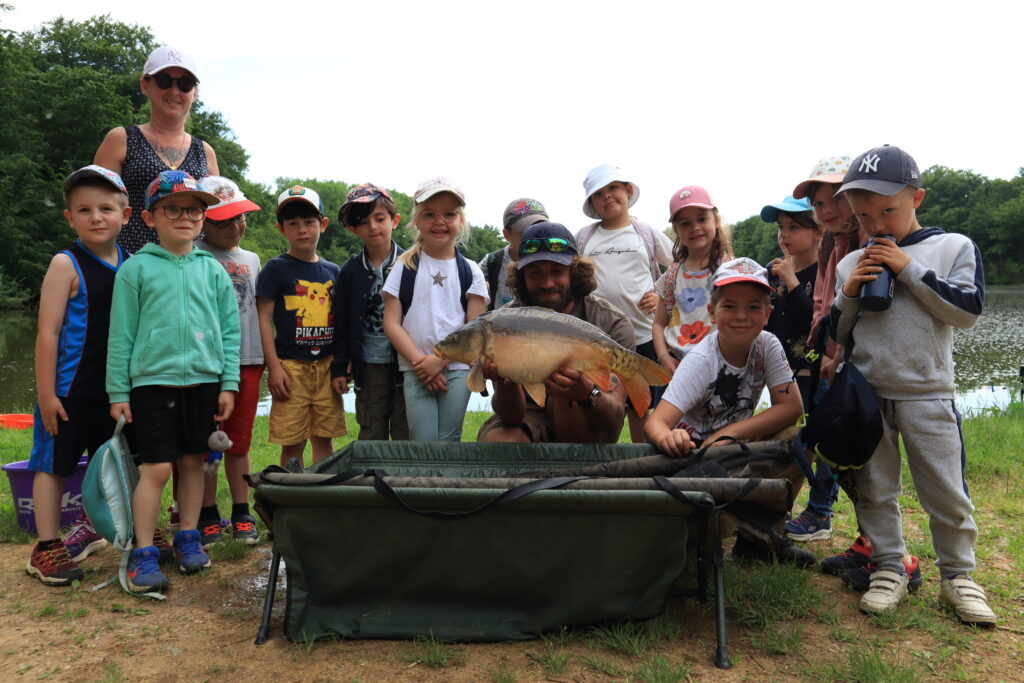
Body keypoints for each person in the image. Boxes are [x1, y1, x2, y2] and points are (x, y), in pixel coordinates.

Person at [832, 145, 995, 625]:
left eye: (889, 210)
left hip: (928, 392)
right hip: (867, 395)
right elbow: (839, 336)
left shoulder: (952, 248)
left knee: (945, 490)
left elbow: (966, 312)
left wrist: (907, 268)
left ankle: (959, 577)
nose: (877, 224)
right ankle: (888, 567)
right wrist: (850, 293)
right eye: (864, 216)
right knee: (875, 487)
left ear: (917, 198)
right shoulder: (849, 263)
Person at [107, 170, 239, 593]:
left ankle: (188, 536)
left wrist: (228, 383)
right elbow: (121, 334)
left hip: (203, 382)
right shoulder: (136, 269)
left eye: (195, 209)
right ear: (149, 217)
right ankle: (143, 552)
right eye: (173, 208)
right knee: (157, 467)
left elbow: (230, 331)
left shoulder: (214, 271)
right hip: (152, 385)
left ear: (204, 217)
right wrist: (118, 392)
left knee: (193, 462)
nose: (185, 216)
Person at [791, 157, 920, 588]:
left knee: (863, 455)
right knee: (843, 453)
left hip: (863, 368)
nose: (826, 211)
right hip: (832, 360)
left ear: (854, 199)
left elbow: (872, 309)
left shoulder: (874, 239)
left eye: (834, 199)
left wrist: (840, 351)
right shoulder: (833, 242)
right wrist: (822, 350)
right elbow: (827, 304)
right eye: (817, 203)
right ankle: (871, 543)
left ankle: (894, 556)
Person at [645, 257, 809, 565]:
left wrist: (729, 434)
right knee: (709, 534)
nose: (741, 317)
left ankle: (759, 538)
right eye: (729, 306)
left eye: (753, 307)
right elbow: (657, 422)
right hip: (695, 462)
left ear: (767, 314)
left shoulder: (768, 345)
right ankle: (725, 527)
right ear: (712, 312)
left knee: (798, 434)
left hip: (734, 451)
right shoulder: (701, 360)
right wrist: (669, 439)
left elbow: (792, 407)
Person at [26, 166, 130, 586]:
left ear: (124, 214)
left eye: (106, 208)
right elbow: (47, 332)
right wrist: (47, 394)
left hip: (113, 390)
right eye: (84, 210)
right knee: (54, 465)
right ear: (70, 217)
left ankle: (120, 529)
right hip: (68, 391)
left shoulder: (131, 264)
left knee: (116, 464)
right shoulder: (64, 264)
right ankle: (46, 547)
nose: (96, 217)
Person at [477, 222, 632, 444]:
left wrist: (586, 394)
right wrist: (504, 382)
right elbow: (511, 417)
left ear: (575, 273)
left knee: (568, 409)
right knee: (499, 440)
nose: (547, 283)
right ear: (521, 276)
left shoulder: (612, 323)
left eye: (557, 272)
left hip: (587, 419)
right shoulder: (502, 323)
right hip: (528, 415)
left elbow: (614, 420)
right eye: (535, 273)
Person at [381, 177, 488, 442]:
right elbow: (392, 323)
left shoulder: (471, 271)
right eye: (429, 214)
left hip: (458, 368)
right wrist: (422, 364)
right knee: (423, 439)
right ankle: (423, 483)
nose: (440, 222)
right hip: (415, 369)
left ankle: (447, 484)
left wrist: (439, 361)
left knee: (449, 438)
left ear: (460, 220)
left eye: (449, 214)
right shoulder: (402, 267)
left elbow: (475, 329)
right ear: (416, 221)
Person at [576, 165, 674, 442]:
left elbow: (681, 264)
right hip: (597, 339)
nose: (607, 196)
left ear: (628, 191)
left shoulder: (646, 233)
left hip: (643, 335)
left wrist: (661, 295)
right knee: (597, 404)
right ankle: (598, 470)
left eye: (613, 188)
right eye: (599, 194)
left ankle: (643, 471)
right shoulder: (585, 237)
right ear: (592, 203)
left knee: (642, 408)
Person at [193, 176, 264, 546]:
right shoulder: (192, 255)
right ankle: (205, 513)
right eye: (224, 221)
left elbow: (262, 314)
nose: (236, 227)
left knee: (238, 443)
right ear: (203, 220)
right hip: (205, 365)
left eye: (240, 218)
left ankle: (241, 511)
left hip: (249, 361)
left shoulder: (252, 259)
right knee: (205, 442)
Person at [94, 45, 218, 254]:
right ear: (145, 85)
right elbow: (97, 210)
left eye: (185, 84)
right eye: (164, 81)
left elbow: (217, 219)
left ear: (194, 92)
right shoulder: (121, 139)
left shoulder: (205, 152)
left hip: (191, 272)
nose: (175, 91)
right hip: (130, 266)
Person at [256, 186, 345, 466]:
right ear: (281, 229)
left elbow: (341, 321)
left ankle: (320, 501)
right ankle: (290, 502)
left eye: (309, 222)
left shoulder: (333, 272)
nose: (302, 230)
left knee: (324, 439)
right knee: (292, 442)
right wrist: (275, 367)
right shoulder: (275, 269)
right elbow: (264, 319)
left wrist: (342, 365)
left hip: (327, 367)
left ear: (323, 225)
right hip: (291, 368)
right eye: (293, 224)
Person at [330, 183, 409, 441]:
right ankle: (372, 478)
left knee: (405, 426)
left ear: (394, 220)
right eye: (364, 222)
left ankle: (401, 480)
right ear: (353, 229)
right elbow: (340, 323)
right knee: (371, 426)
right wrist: (340, 367)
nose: (373, 227)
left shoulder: (412, 264)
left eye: (379, 218)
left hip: (406, 361)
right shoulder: (350, 271)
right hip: (369, 362)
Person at [652, 186, 733, 374]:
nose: (695, 228)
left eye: (702, 219)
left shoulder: (729, 270)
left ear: (716, 220)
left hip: (717, 367)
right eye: (685, 223)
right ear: (676, 230)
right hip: (676, 366)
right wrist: (664, 358)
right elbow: (658, 324)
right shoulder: (672, 274)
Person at [762, 195, 821, 410]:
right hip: (775, 372)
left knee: (812, 438)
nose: (783, 234)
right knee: (782, 438)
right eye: (781, 227)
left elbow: (815, 323)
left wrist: (792, 282)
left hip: (810, 372)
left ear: (818, 232)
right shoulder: (771, 270)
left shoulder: (826, 272)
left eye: (793, 227)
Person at [478, 198, 549, 310]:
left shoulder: (553, 261)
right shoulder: (493, 261)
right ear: (507, 234)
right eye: (525, 233)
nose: (534, 238)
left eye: (540, 231)